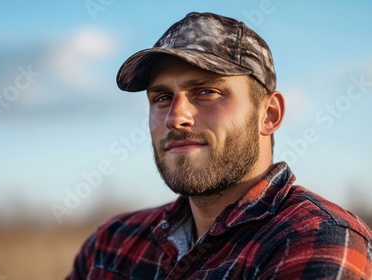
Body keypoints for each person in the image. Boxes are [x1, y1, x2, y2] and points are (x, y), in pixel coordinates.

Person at [66, 12, 372, 279]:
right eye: (162, 98)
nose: (176, 117)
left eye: (207, 91)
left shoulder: (315, 238)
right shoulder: (112, 244)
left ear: (269, 114)